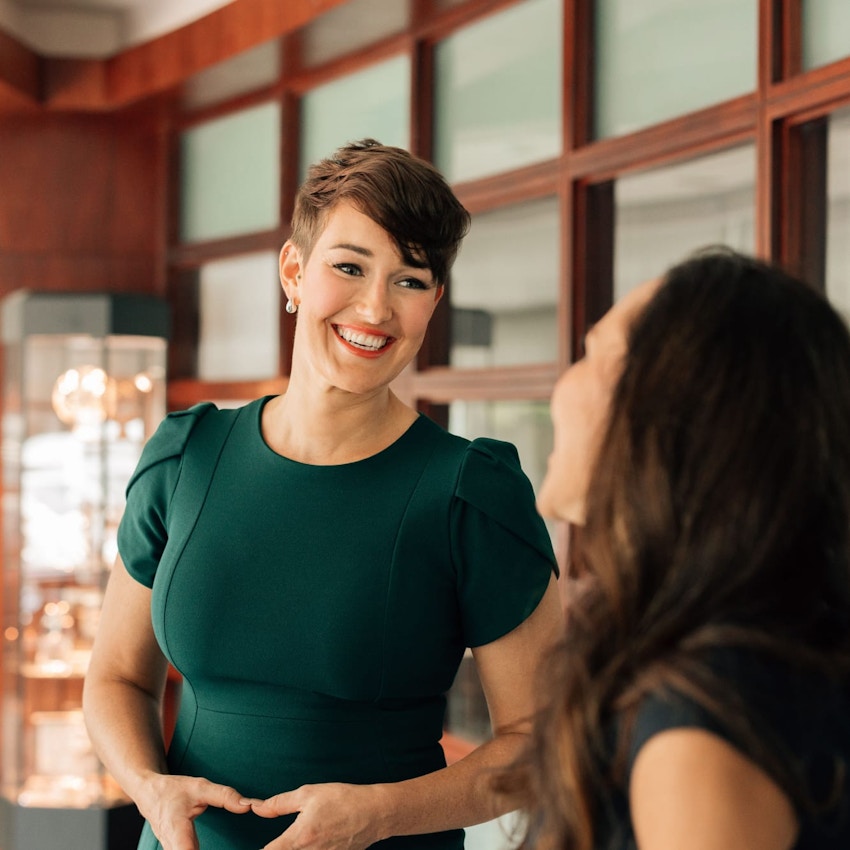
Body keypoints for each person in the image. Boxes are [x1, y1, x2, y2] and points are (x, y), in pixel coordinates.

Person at [82, 138, 563, 850]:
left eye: (410, 279)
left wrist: (379, 817)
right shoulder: (185, 458)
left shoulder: (472, 495)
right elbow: (116, 678)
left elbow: (538, 746)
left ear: (435, 301)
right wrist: (150, 789)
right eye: (349, 267)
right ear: (295, 270)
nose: (375, 308)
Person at [515, 248, 850, 850]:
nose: (561, 387)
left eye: (593, 354)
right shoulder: (744, 661)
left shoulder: (699, 725)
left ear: (667, 417)